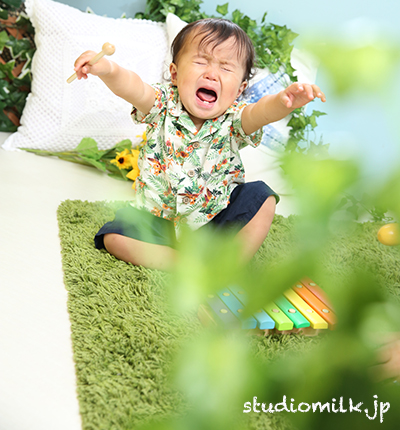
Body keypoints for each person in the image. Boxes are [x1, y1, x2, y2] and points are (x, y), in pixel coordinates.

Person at [73, 18, 326, 270]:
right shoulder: (162, 103)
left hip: (213, 220)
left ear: (240, 89)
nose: (211, 74)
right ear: (175, 74)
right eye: (201, 61)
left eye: (226, 68)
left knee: (263, 198)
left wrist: (283, 101)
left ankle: (229, 263)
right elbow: (134, 87)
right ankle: (181, 263)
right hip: (158, 216)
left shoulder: (235, 118)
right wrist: (108, 69)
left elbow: (261, 112)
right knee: (114, 238)